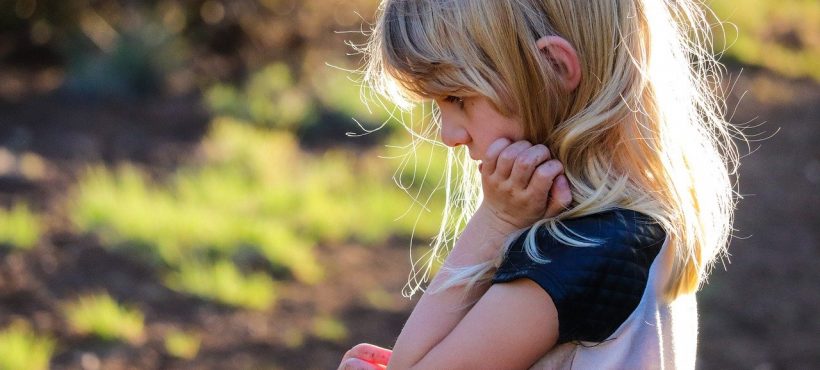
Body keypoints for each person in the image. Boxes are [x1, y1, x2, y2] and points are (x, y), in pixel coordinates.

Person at [339, 0, 741, 369]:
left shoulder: (581, 254)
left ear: (555, 67)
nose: (449, 134)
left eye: (458, 98)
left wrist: (493, 223)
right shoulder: (632, 227)